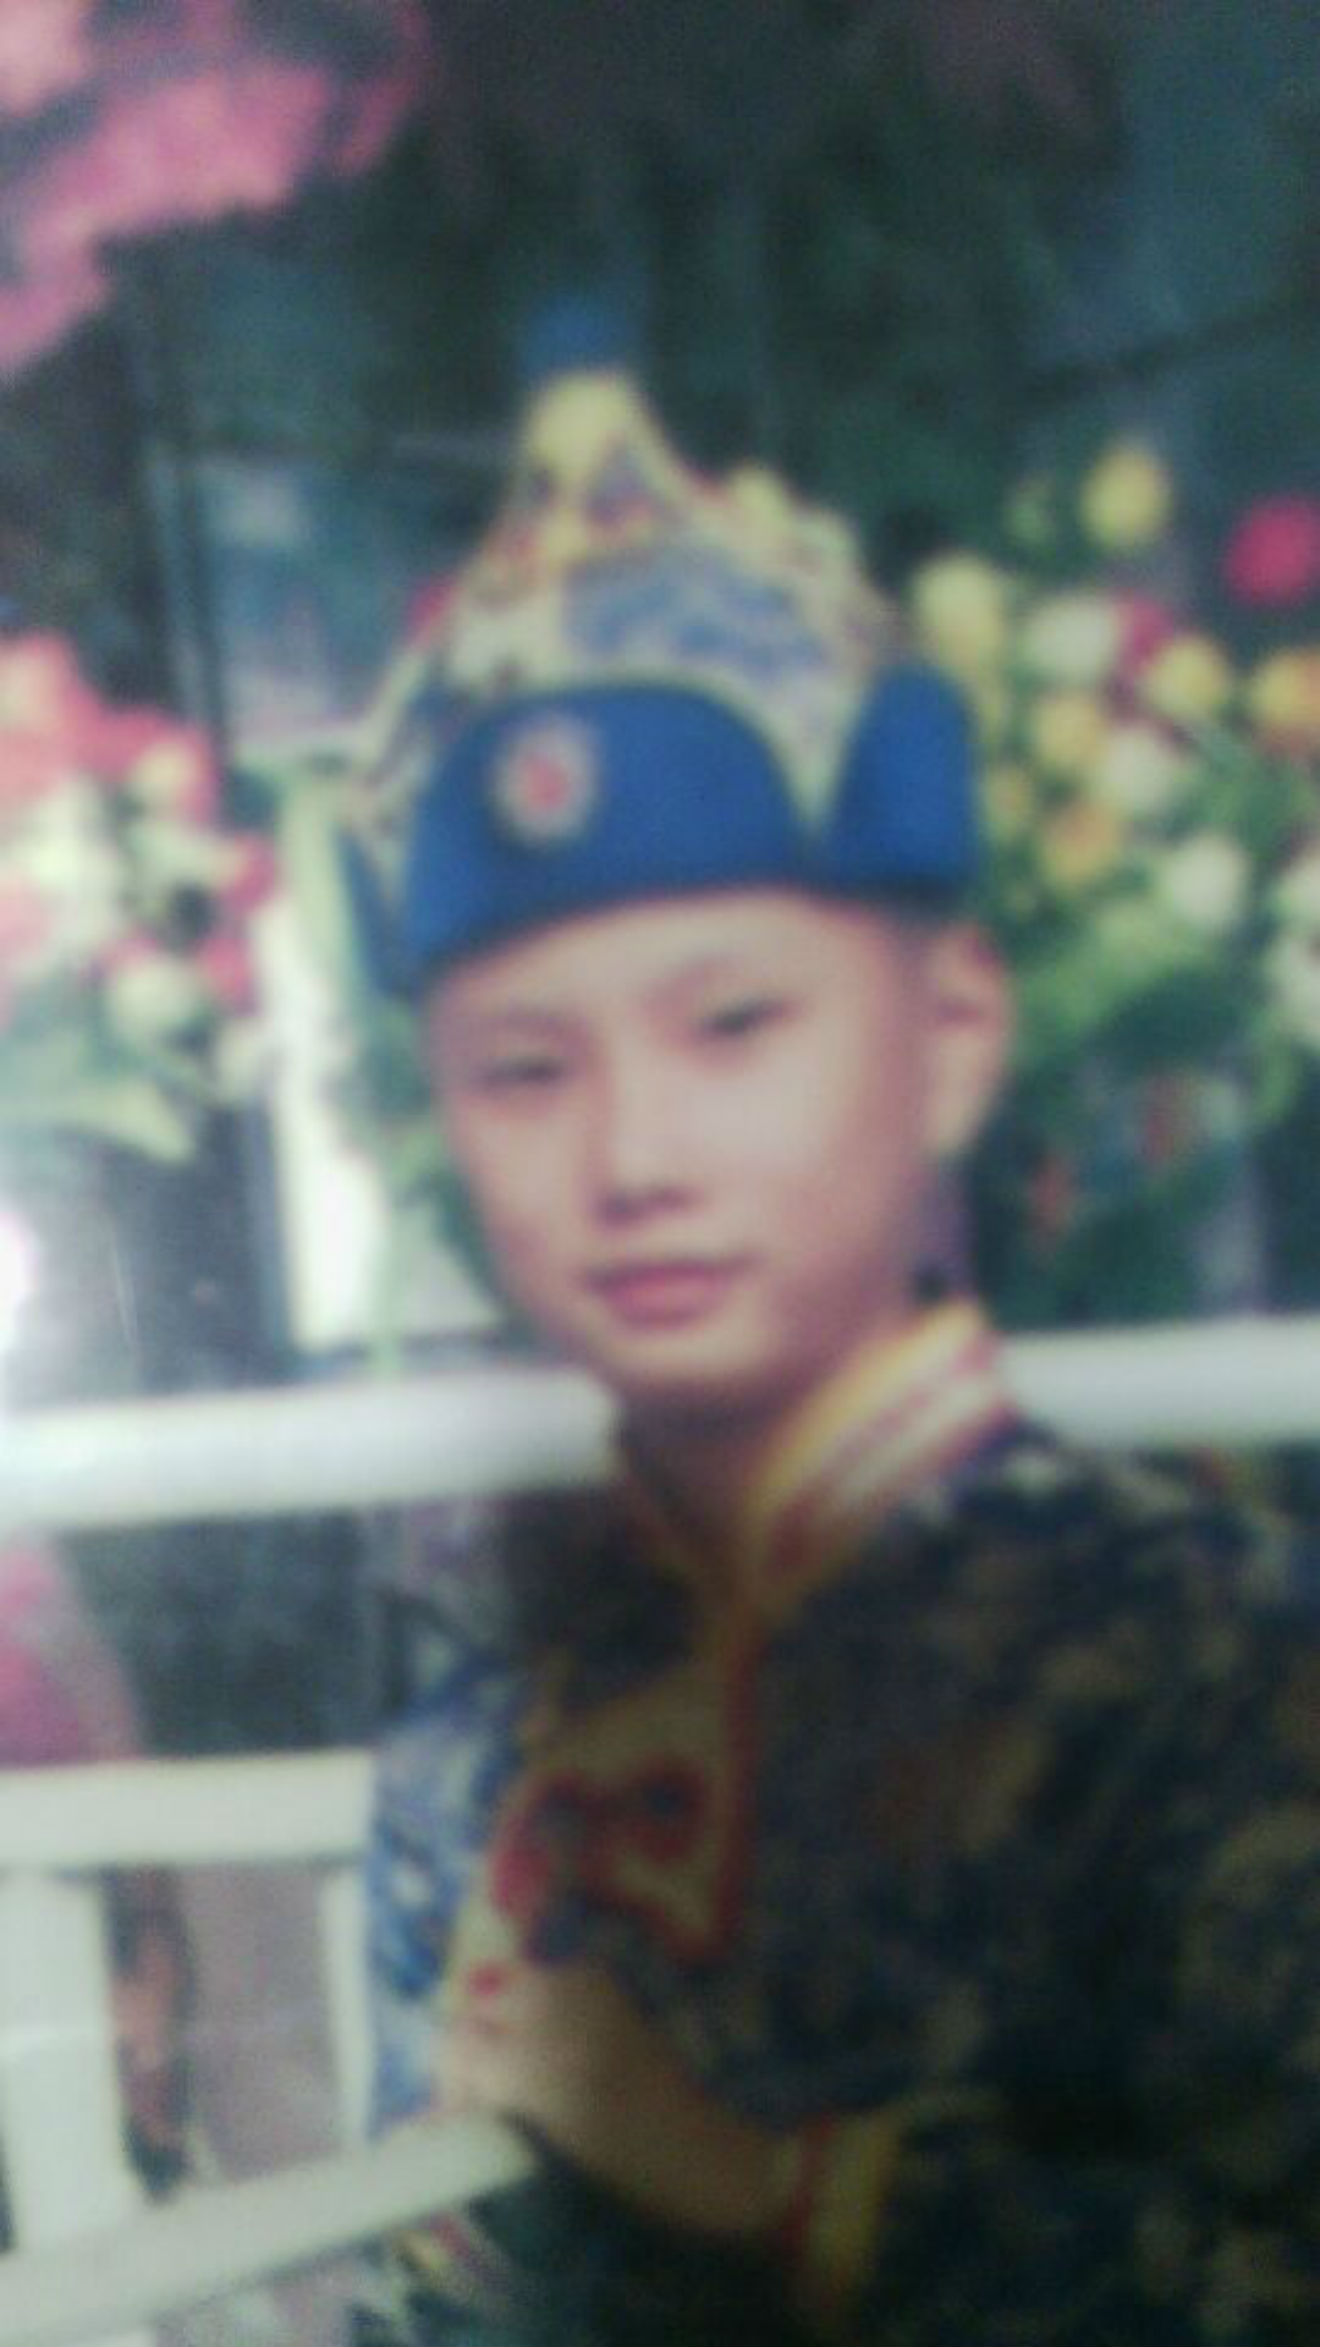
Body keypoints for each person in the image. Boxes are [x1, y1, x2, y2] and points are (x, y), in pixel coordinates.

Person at [355, 325, 1320, 2345]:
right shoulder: (474, 1752)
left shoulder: (1211, 1656)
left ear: (951, 1035)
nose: (632, 1158)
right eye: (524, 1071)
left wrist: (776, 2183)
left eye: (733, 1028)